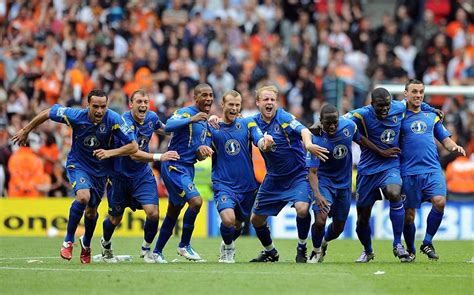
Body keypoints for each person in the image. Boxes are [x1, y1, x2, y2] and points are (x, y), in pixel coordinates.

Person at [11, 89, 138, 264]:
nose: (100, 111)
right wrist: (26, 130)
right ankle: (68, 240)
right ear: (88, 105)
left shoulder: (114, 119)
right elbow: (48, 112)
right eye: (95, 106)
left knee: (92, 211)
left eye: (103, 106)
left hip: (101, 172)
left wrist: (110, 153)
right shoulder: (76, 115)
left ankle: (85, 244)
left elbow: (133, 146)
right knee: (83, 196)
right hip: (78, 164)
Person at [345, 87, 438, 263]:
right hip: (367, 170)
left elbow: (415, 103)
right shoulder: (361, 114)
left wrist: (432, 110)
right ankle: (368, 250)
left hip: (390, 165)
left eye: (387, 105)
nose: (385, 109)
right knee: (362, 220)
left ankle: (397, 243)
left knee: (395, 193)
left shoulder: (398, 107)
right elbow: (341, 121)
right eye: (380, 106)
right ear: (371, 104)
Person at [306, 104, 400, 263]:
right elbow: (312, 172)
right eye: (328, 123)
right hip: (324, 183)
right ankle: (315, 251)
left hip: (344, 185)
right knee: (320, 219)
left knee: (338, 228)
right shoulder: (316, 139)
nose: (332, 126)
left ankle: (324, 243)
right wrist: (317, 194)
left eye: (335, 122)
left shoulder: (348, 126)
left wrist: (380, 151)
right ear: (320, 121)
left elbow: (361, 139)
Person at [248, 85, 329, 263]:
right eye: (266, 100)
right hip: (274, 178)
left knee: (302, 208)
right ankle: (270, 252)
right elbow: (257, 138)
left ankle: (302, 247)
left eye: (272, 100)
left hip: (297, 175)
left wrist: (307, 144)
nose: (269, 103)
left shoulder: (283, 117)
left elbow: (304, 130)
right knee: (256, 220)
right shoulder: (252, 121)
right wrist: (264, 144)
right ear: (257, 102)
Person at [100, 90, 179, 263]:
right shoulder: (124, 122)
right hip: (119, 176)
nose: (143, 105)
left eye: (146, 102)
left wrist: (186, 125)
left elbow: (166, 130)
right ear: (131, 104)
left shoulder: (151, 117)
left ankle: (146, 250)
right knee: (115, 218)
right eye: (139, 102)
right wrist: (160, 156)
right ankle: (105, 244)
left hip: (141, 175)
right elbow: (134, 153)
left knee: (153, 213)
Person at [198, 90, 273, 263]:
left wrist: (265, 143)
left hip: (247, 186)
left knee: (238, 224)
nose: (234, 108)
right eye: (230, 104)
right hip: (223, 183)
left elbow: (259, 140)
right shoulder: (213, 127)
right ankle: (229, 249)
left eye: (237, 105)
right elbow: (203, 150)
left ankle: (226, 243)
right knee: (228, 219)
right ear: (222, 105)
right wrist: (202, 151)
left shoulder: (248, 123)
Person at [401, 80, 465, 261]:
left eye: (421, 92)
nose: (418, 95)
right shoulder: (398, 117)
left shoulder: (431, 116)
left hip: (432, 168)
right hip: (408, 171)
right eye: (414, 91)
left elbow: (445, 139)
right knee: (409, 215)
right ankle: (411, 250)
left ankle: (427, 242)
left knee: (440, 201)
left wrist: (455, 146)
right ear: (405, 93)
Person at [152, 83, 214, 262]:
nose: (208, 98)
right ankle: (184, 245)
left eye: (210, 95)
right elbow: (169, 125)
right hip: (174, 165)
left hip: (187, 168)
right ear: (195, 98)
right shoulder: (186, 112)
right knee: (196, 201)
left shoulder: (205, 124)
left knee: (174, 210)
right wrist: (191, 119)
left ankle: (157, 252)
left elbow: (198, 153)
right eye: (204, 95)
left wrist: (202, 153)